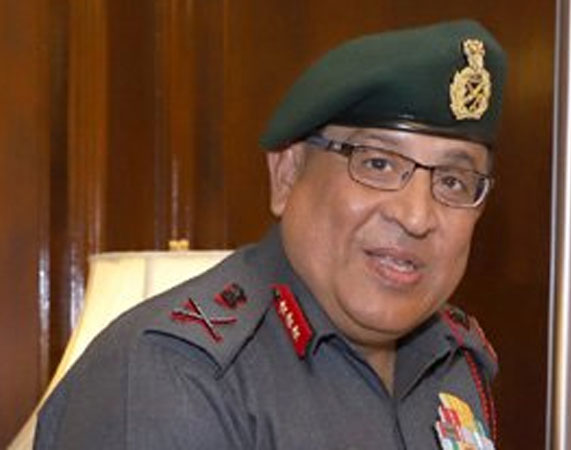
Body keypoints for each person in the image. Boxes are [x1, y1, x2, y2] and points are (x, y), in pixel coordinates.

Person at [34, 19, 506, 450]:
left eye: (453, 181)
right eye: (378, 163)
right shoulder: (173, 378)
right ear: (287, 174)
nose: (416, 216)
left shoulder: (454, 361)